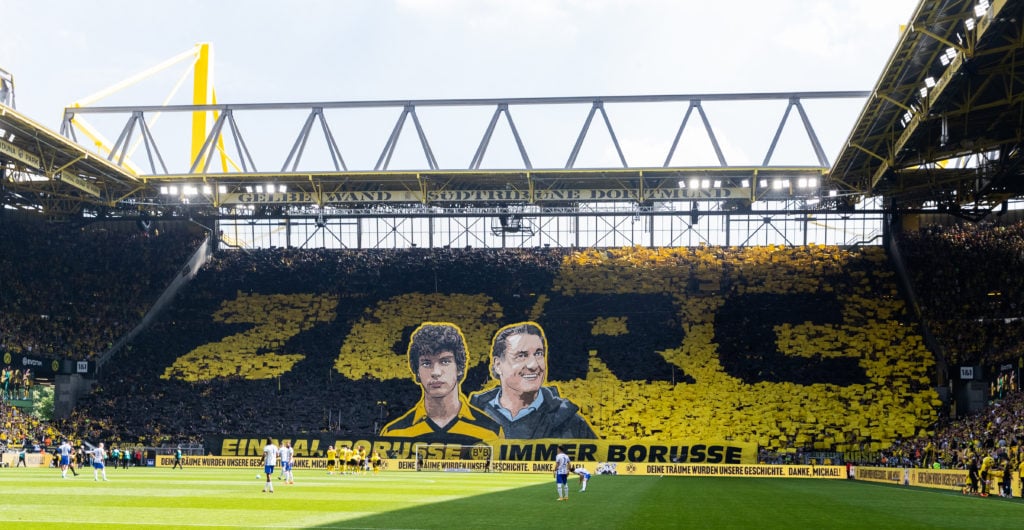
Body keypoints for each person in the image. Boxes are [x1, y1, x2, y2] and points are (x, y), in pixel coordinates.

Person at [470, 322, 597, 439]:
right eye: (521, 355)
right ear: (498, 365)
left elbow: (605, 464)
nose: (534, 365)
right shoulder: (472, 416)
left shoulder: (570, 422)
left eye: (538, 354)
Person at [379, 323, 502, 443]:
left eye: (445, 361)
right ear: (417, 371)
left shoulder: (490, 432)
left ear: (459, 368)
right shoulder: (394, 434)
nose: (435, 372)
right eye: (426, 363)